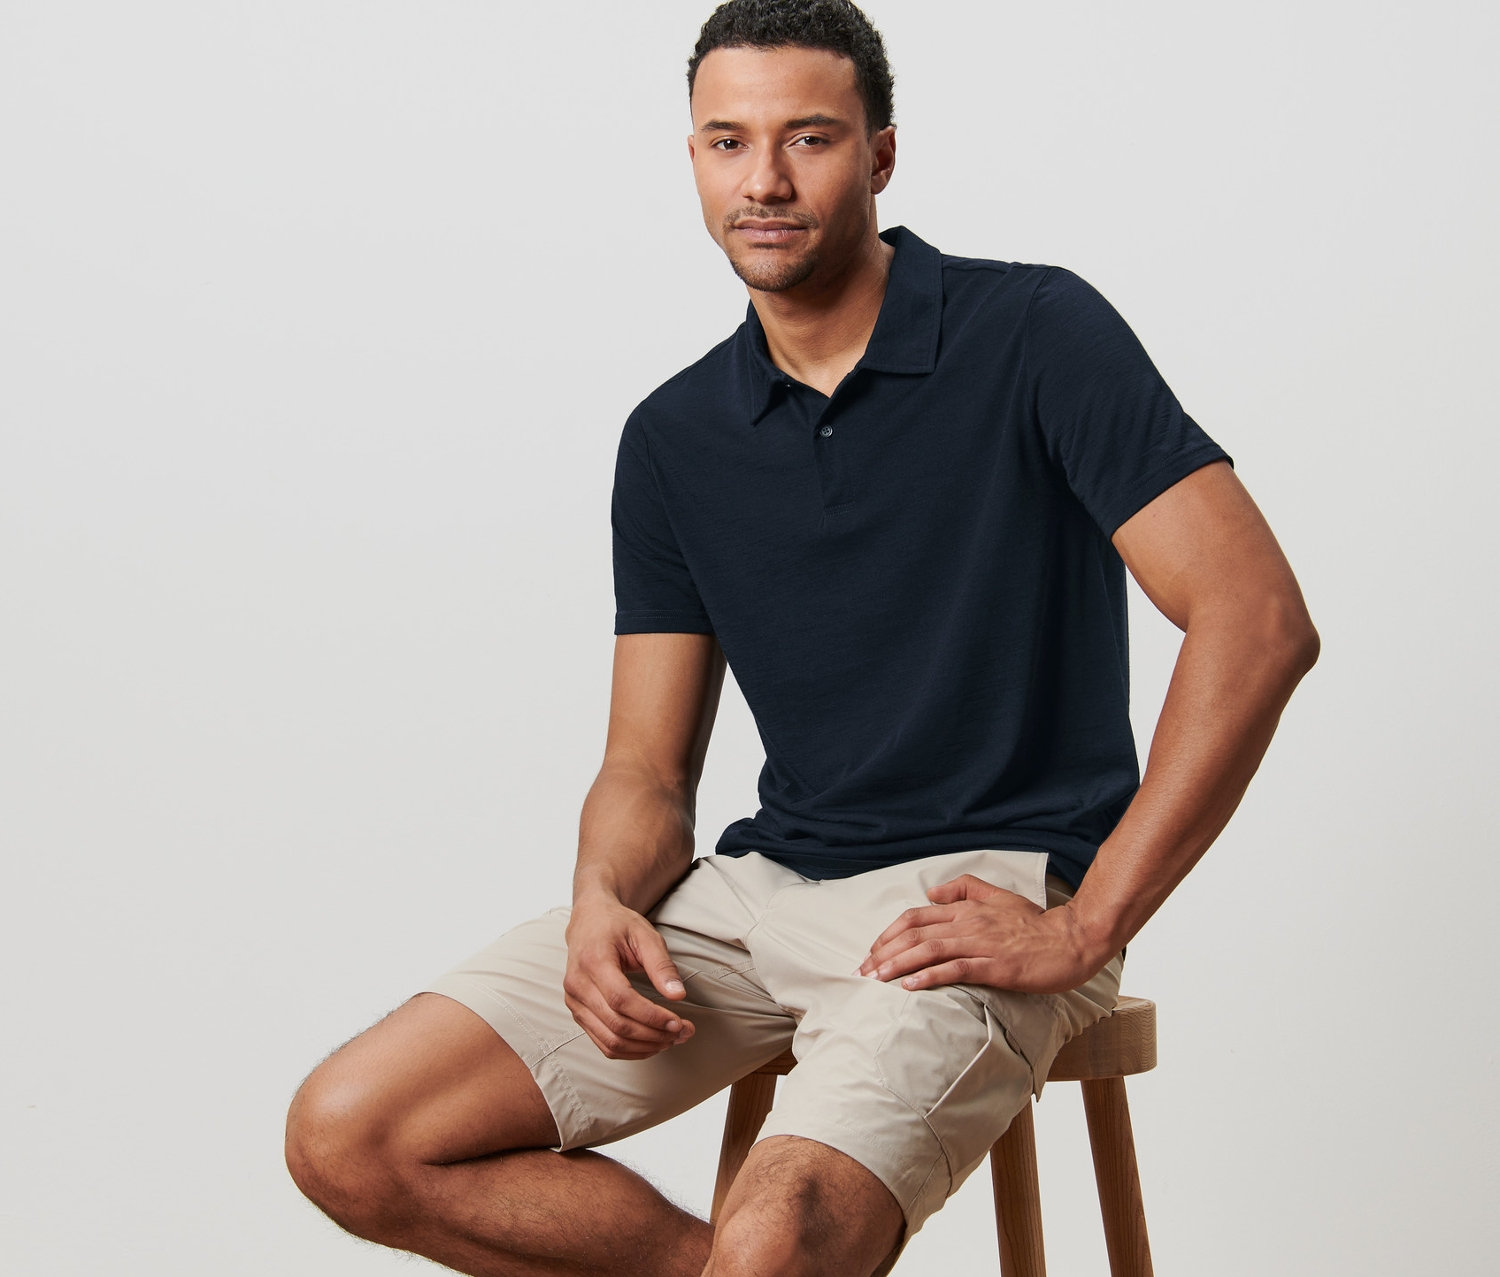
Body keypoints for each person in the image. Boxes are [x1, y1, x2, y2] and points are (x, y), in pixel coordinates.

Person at [284, 1, 1319, 1273]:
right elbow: (647, 770)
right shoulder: (672, 437)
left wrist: (1089, 921)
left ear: (881, 154)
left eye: (809, 138)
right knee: (350, 1134)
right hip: (763, 888)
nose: (763, 180)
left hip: (987, 891)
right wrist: (603, 890)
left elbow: (1257, 618)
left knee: (778, 1237)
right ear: (694, 160)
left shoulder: (1034, 331)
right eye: (728, 141)